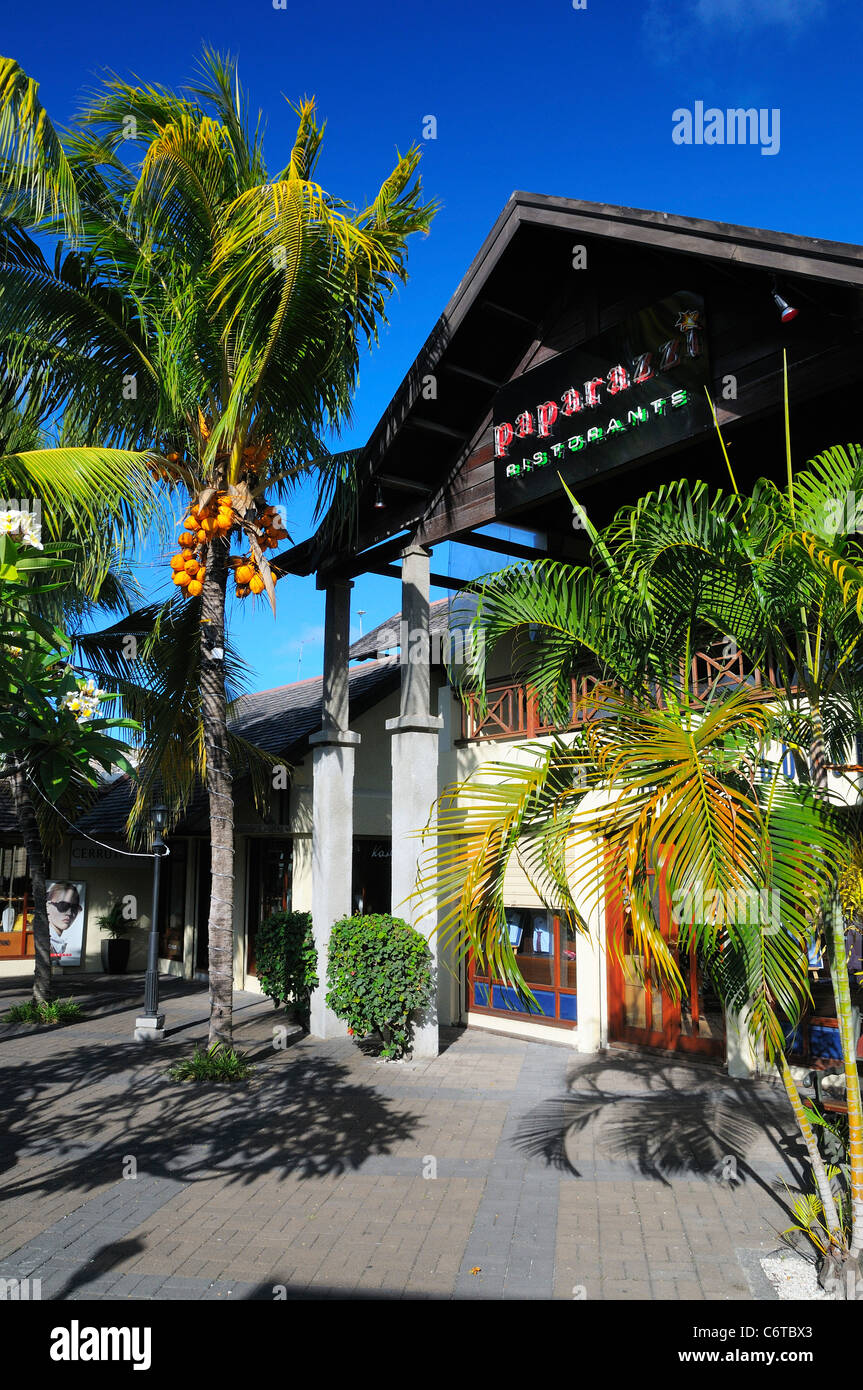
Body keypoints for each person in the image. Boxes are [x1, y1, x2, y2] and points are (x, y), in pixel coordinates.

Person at [47, 882, 81, 963]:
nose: (69, 913)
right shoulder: (46, 941)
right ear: (47, 906)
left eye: (74, 908)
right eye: (63, 906)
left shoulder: (58, 942)